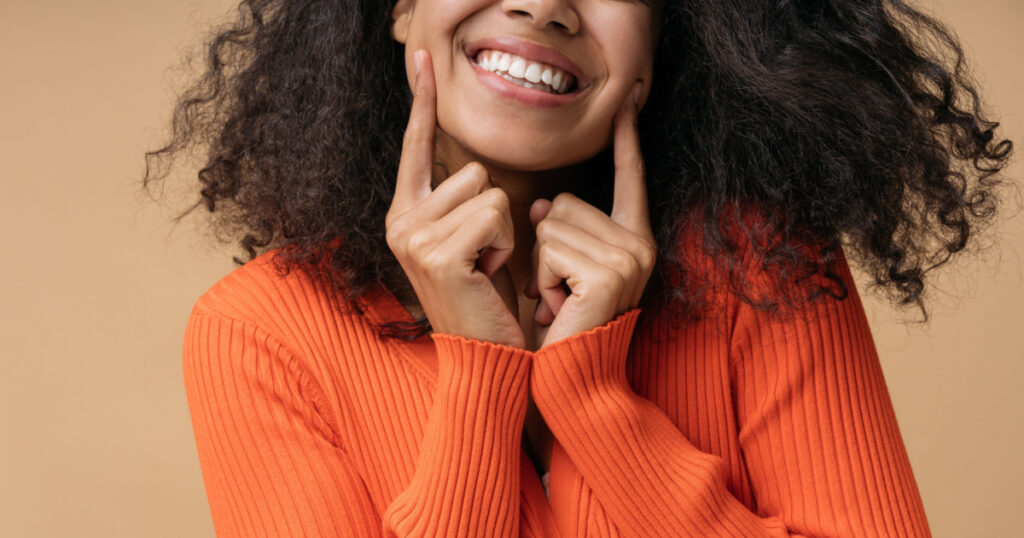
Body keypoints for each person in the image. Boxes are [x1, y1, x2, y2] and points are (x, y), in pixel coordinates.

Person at [146, 0, 1013, 535]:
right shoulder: (258, 330)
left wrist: (595, 400)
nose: (544, 6)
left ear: (660, 51)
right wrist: (480, 376)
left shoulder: (763, 270)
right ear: (402, 6)